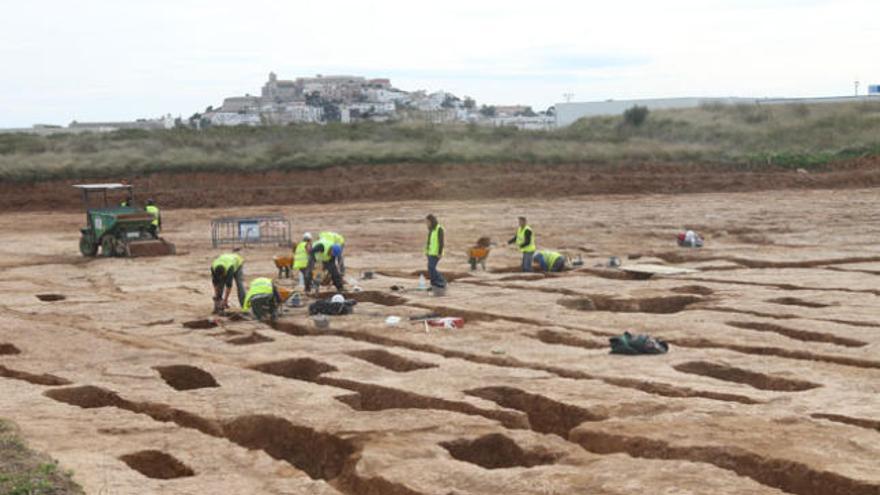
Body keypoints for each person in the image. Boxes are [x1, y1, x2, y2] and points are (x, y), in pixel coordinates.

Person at [425, 214, 446, 288]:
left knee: (431, 267)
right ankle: (434, 282)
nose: (426, 223)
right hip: (430, 252)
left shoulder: (439, 229)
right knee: (430, 267)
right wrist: (426, 251)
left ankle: (441, 280)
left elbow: (441, 242)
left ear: (432, 221)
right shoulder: (431, 229)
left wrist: (439, 253)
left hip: (437, 253)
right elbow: (429, 242)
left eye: (428, 222)